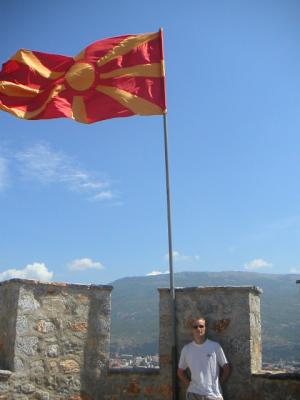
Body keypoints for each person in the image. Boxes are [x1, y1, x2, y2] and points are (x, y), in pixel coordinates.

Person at [177, 317, 231, 400]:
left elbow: (226, 368)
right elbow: (180, 371)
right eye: (195, 327)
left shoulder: (215, 346)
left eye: (201, 326)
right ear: (192, 330)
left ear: (205, 328)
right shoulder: (187, 349)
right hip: (193, 394)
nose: (198, 329)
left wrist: (218, 384)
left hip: (213, 395)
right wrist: (189, 385)